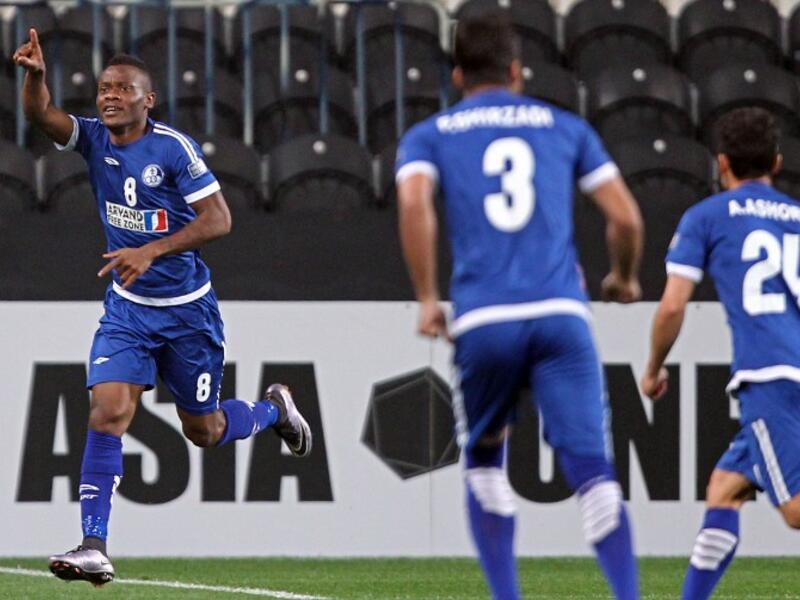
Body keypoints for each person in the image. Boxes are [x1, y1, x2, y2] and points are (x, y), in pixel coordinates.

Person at [13, 29, 312, 586]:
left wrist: (153, 248)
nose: (109, 97)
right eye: (104, 88)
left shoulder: (173, 148)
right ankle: (94, 544)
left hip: (188, 313)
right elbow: (43, 116)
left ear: (147, 100)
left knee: (202, 430)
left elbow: (220, 219)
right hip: (128, 308)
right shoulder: (94, 138)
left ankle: (275, 410)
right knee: (107, 412)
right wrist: (35, 80)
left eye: (123, 89)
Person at [395, 14, 644, 600]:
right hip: (562, 315)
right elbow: (627, 217)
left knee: (484, 462)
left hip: (485, 321)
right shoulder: (565, 127)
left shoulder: (432, 133)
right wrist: (624, 278)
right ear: (516, 71)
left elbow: (413, 204)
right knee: (594, 474)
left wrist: (429, 298)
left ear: (458, 75)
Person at [640, 106, 800, 600]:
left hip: (772, 376)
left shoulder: (707, 217)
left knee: (794, 511)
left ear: (721, 163)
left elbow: (671, 306)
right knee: (725, 488)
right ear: (775, 162)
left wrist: (653, 366)